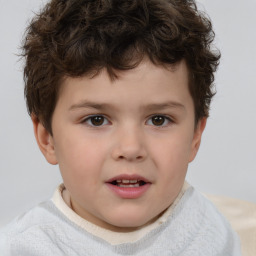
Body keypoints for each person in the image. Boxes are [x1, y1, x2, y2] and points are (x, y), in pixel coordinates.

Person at [0, 0, 241, 255]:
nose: (130, 148)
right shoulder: (23, 248)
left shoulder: (209, 230)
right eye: (96, 120)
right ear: (47, 138)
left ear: (195, 136)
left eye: (158, 119)